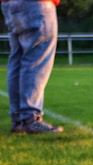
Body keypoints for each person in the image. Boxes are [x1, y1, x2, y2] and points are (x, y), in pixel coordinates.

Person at [1, 0, 63, 134]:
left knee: (17, 61)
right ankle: (30, 119)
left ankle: (18, 119)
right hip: (37, 4)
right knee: (36, 61)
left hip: (9, 5)